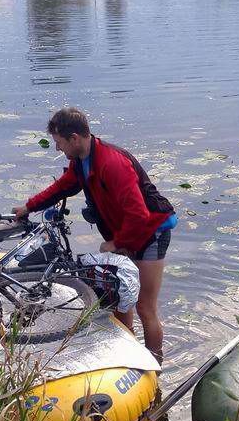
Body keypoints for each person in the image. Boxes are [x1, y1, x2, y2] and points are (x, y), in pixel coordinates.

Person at [14, 108, 176, 358]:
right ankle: (128, 355)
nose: (57, 149)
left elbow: (139, 214)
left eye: (58, 142)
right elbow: (62, 188)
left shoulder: (113, 164)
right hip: (124, 232)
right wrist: (29, 206)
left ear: (74, 138)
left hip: (150, 231)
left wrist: (116, 243)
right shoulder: (80, 162)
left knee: (145, 307)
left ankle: (155, 364)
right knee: (122, 297)